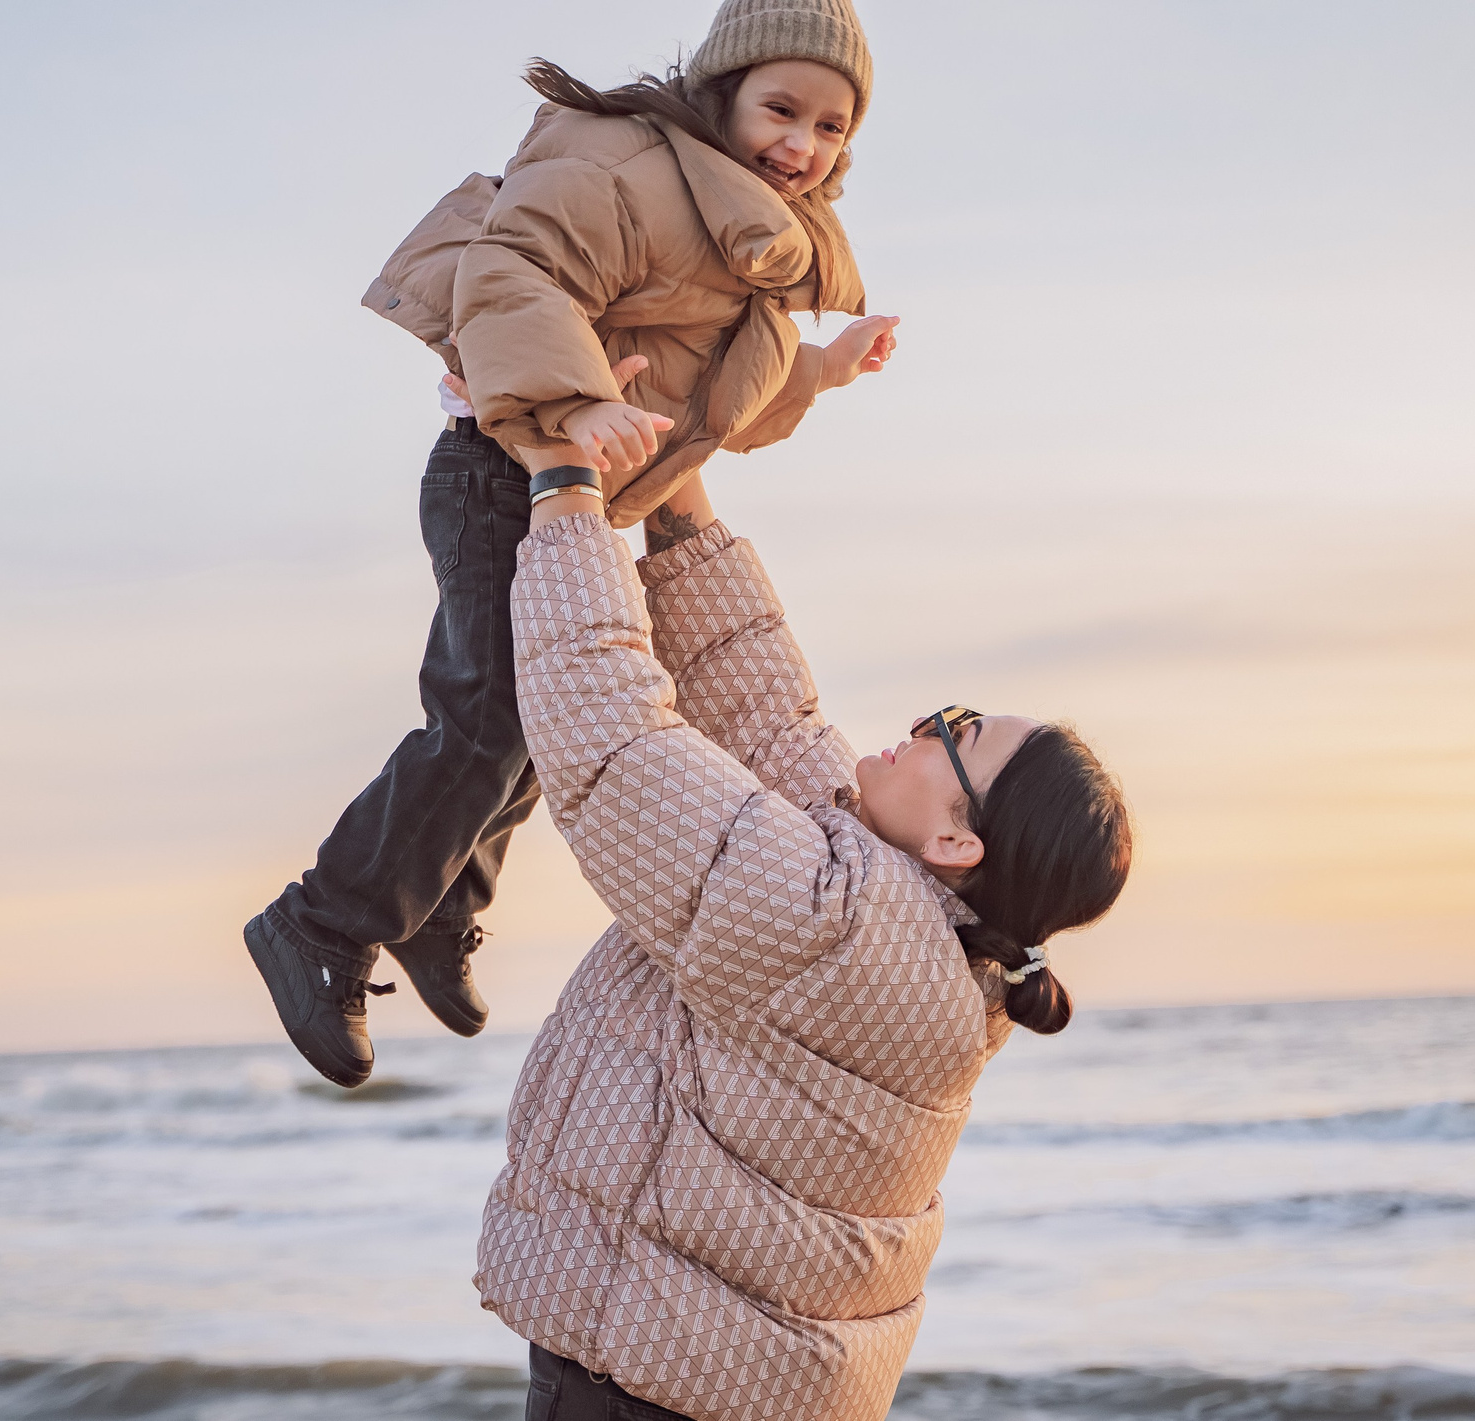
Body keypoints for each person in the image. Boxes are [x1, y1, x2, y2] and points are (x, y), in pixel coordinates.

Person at [244, 0, 902, 1088]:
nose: (804, 144)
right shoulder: (630, 165)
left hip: (581, 495)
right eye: (782, 108)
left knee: (549, 718)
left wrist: (825, 368)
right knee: (490, 710)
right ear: (721, 91)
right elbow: (515, 273)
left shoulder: (759, 241)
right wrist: (576, 397)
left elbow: (717, 390)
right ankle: (321, 921)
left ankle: (440, 897)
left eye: (833, 128)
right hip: (501, 468)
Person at [486, 465, 1134, 1421]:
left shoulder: (835, 926)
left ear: (959, 840)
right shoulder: (917, 931)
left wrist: (571, 492)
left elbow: (609, 736)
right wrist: (679, 493)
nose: (920, 725)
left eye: (952, 733)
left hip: (654, 1395)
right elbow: (766, 718)